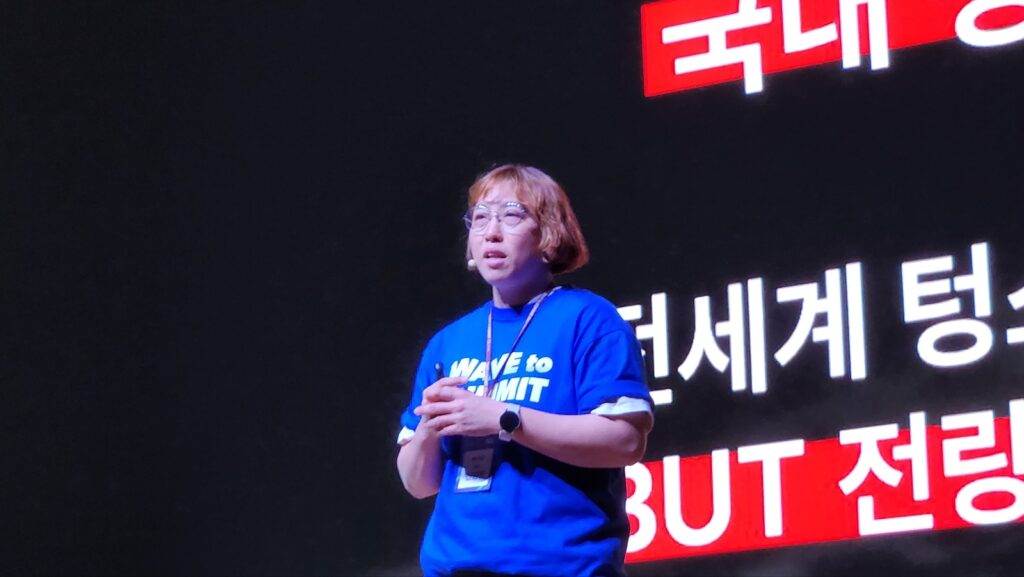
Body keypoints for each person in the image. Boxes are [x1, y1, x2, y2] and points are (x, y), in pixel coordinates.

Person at [396, 164, 654, 577]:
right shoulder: (448, 342)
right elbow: (418, 483)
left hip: (563, 567)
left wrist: (504, 418)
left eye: (511, 215)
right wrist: (429, 426)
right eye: (480, 218)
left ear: (548, 233)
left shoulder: (588, 319)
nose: (491, 232)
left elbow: (624, 441)